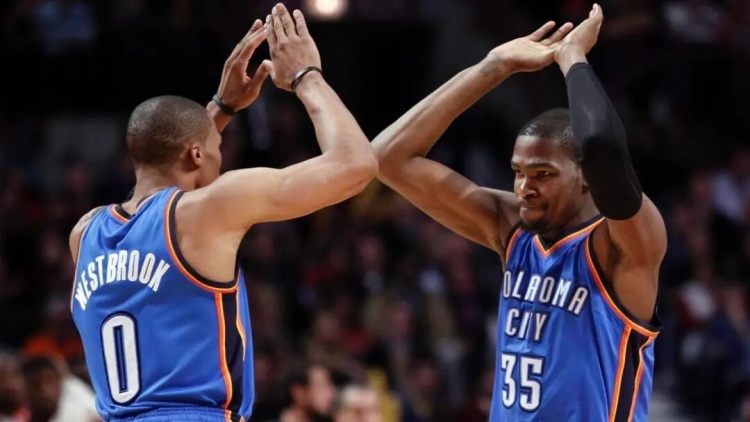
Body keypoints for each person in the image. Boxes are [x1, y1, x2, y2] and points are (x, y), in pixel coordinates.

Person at [68, 3, 378, 421]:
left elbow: (159, 184)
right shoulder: (208, 209)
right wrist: (308, 76)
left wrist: (220, 108)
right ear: (197, 154)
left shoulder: (85, 233)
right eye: (217, 148)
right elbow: (356, 165)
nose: (222, 157)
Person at [372, 4, 666, 421]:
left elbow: (603, 149)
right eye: (518, 172)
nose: (525, 187)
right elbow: (386, 159)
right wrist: (494, 66)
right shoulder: (511, 228)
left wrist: (573, 58)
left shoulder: (621, 245)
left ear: (586, 177)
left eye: (543, 174)